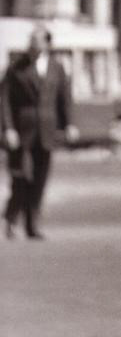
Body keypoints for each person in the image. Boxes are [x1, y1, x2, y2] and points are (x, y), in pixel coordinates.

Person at [1, 24, 78, 240]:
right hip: (21, 132)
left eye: (36, 41)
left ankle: (32, 224)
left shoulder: (56, 68)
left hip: (46, 132)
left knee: (40, 180)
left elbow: (64, 98)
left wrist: (69, 124)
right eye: (31, 41)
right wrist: (8, 129)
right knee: (21, 177)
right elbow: (4, 101)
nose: (32, 45)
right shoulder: (16, 68)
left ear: (47, 44)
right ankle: (11, 218)